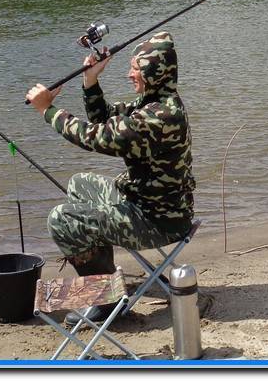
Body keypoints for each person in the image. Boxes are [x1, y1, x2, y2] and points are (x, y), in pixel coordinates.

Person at [25, 31, 196, 298]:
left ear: (155, 72)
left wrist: (47, 110)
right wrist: (90, 80)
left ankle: (104, 299)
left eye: (136, 68)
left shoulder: (159, 117)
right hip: (147, 203)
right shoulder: (157, 102)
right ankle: (104, 278)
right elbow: (104, 118)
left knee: (61, 219)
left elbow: (96, 137)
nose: (129, 74)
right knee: (79, 184)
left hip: (159, 221)